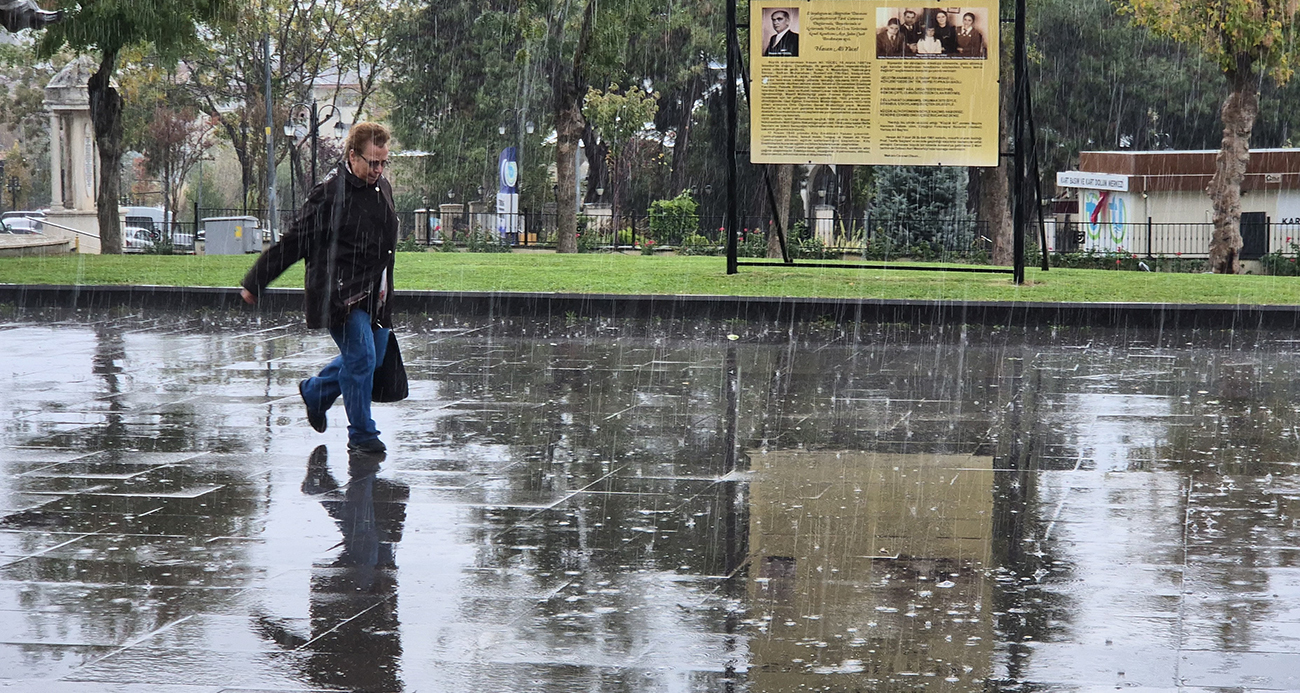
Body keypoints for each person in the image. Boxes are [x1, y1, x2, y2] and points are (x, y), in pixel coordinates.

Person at [240, 121, 398, 454]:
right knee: (361, 358)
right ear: (352, 156)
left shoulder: (381, 186)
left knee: (373, 356)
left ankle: (317, 392)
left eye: (384, 162)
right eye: (373, 162)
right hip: (339, 293)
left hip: (377, 295)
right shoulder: (329, 193)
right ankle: (362, 436)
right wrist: (257, 280)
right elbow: (294, 241)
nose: (379, 169)